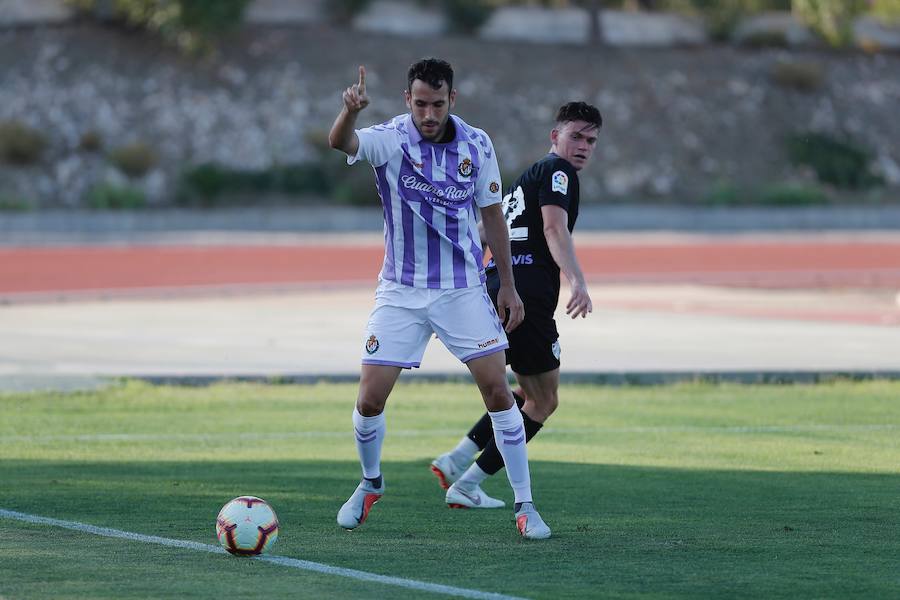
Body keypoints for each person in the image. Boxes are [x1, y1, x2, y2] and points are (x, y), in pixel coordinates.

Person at [328, 57, 551, 539]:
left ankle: (525, 505)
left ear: (453, 100)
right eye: (421, 104)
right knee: (369, 399)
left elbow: (493, 216)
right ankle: (370, 484)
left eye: (438, 103)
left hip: (462, 289)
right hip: (401, 291)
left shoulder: (477, 144)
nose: (429, 114)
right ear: (408, 100)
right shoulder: (390, 137)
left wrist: (507, 284)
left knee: (497, 391)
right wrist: (349, 111)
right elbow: (341, 142)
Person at [430, 101, 602, 509]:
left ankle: (456, 460)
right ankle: (468, 484)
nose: (583, 146)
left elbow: (486, 232)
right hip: (526, 296)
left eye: (591, 140)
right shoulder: (559, 173)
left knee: (522, 390)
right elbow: (553, 227)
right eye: (576, 136)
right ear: (554, 136)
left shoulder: (527, 177)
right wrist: (577, 280)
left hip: (495, 287)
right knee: (544, 401)